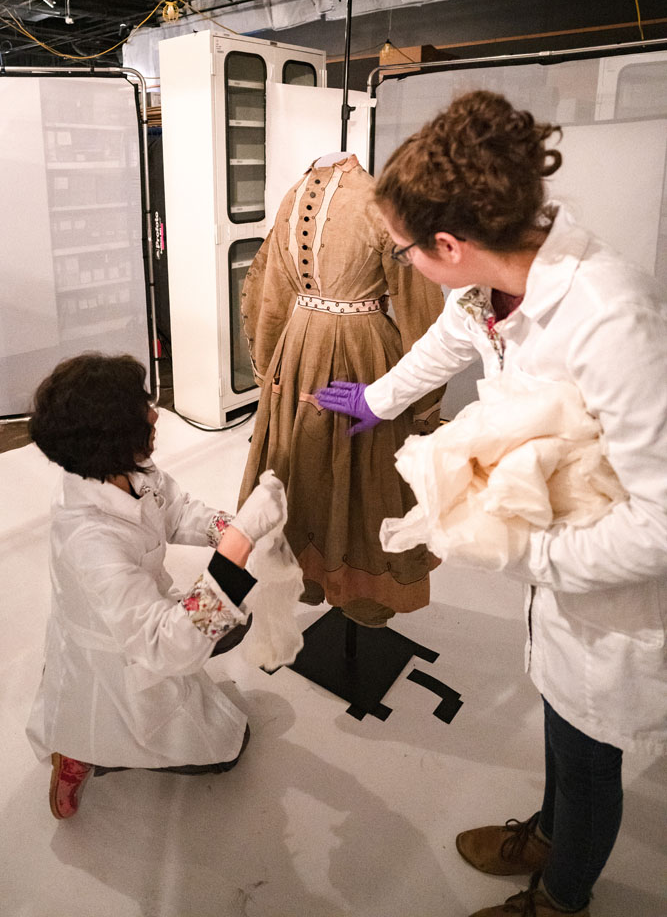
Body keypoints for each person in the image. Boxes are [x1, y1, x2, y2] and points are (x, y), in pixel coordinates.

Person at [317, 91, 667, 916]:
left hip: (605, 574)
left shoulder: (607, 315)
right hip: (558, 562)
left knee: (588, 749)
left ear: (447, 243)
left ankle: (562, 895)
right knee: (559, 713)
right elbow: (450, 341)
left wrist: (524, 555)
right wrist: (378, 398)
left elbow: (661, 520)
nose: (405, 265)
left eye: (403, 253)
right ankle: (546, 834)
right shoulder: (490, 286)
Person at [26, 352, 284, 819]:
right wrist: (239, 545)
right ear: (113, 437)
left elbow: (177, 509)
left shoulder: (122, 469)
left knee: (234, 621)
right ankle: (81, 752)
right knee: (230, 749)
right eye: (143, 408)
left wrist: (228, 527)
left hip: (137, 618)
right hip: (120, 653)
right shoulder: (90, 540)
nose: (156, 413)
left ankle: (87, 741)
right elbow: (163, 646)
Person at [238, 152, 444, 628]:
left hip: (299, 343)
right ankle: (363, 593)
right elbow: (419, 307)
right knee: (364, 473)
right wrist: (424, 405)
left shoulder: (292, 196)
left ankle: (312, 578)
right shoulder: (382, 204)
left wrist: (272, 373)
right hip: (361, 349)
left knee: (301, 467)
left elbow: (269, 296)